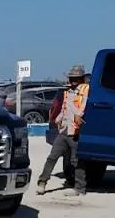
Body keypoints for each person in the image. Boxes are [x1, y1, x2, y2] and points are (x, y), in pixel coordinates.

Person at [37, 64, 90, 196]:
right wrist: (58, 119)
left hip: (75, 132)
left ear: (82, 78)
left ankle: (80, 188)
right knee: (52, 157)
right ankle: (42, 182)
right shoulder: (67, 92)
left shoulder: (85, 89)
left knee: (76, 160)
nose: (73, 81)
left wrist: (79, 114)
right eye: (72, 78)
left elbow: (83, 104)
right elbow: (64, 108)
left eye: (76, 78)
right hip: (64, 130)